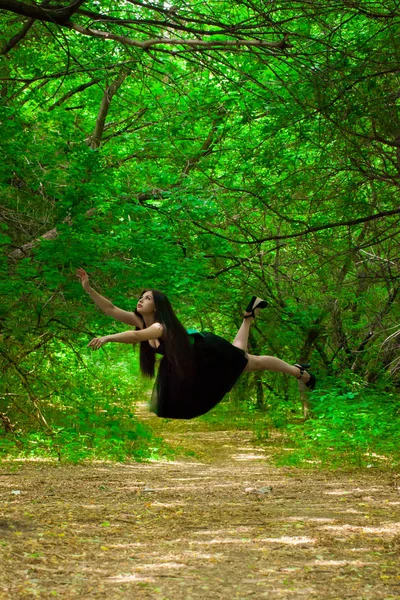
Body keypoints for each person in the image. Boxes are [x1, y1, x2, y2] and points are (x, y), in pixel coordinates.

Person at [76, 268, 316, 419]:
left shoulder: (160, 326)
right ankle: (248, 318)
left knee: (251, 362)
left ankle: (299, 372)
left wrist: (108, 338)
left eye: (147, 298)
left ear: (157, 306)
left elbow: (138, 337)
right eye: (141, 297)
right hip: (195, 363)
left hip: (205, 353)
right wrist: (89, 289)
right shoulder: (140, 321)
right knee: (242, 356)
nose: (141, 300)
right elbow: (109, 308)